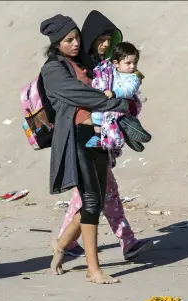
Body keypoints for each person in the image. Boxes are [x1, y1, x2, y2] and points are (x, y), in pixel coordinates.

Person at [40, 14, 129, 284]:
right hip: (76, 137)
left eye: (77, 37)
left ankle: (61, 245)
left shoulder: (83, 63)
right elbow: (75, 93)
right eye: (68, 40)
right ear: (56, 43)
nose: (76, 43)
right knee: (91, 200)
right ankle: (94, 270)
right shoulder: (52, 69)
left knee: (97, 201)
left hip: (97, 136)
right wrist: (112, 101)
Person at [58, 10, 153, 260]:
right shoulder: (83, 68)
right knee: (101, 192)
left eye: (109, 42)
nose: (105, 46)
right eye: (101, 41)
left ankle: (66, 242)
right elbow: (88, 102)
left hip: (103, 137)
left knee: (89, 193)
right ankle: (126, 241)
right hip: (87, 137)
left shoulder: (109, 67)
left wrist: (127, 104)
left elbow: (131, 95)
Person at [85, 41, 145, 148]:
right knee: (96, 113)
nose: (132, 66)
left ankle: (123, 135)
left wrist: (115, 93)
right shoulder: (111, 71)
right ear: (116, 63)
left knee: (112, 116)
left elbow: (129, 90)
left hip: (127, 104)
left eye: (135, 63)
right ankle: (98, 136)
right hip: (112, 101)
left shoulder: (133, 77)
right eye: (128, 63)